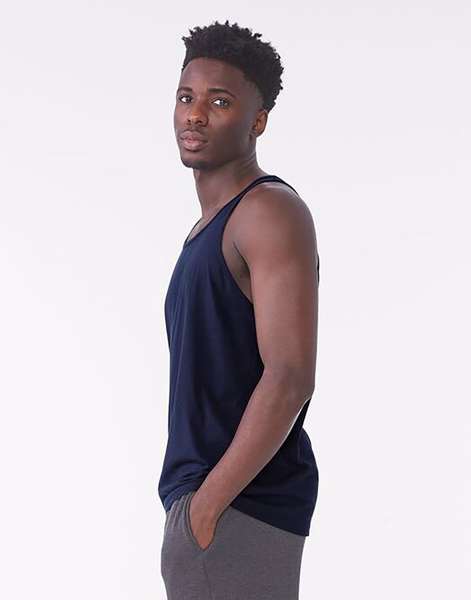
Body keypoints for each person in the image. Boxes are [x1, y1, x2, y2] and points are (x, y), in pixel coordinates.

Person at [158, 19, 320, 600]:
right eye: (186, 97)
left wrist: (207, 508)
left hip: (239, 508)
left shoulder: (267, 211)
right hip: (208, 507)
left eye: (219, 101)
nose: (196, 115)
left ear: (258, 121)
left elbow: (290, 374)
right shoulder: (208, 228)